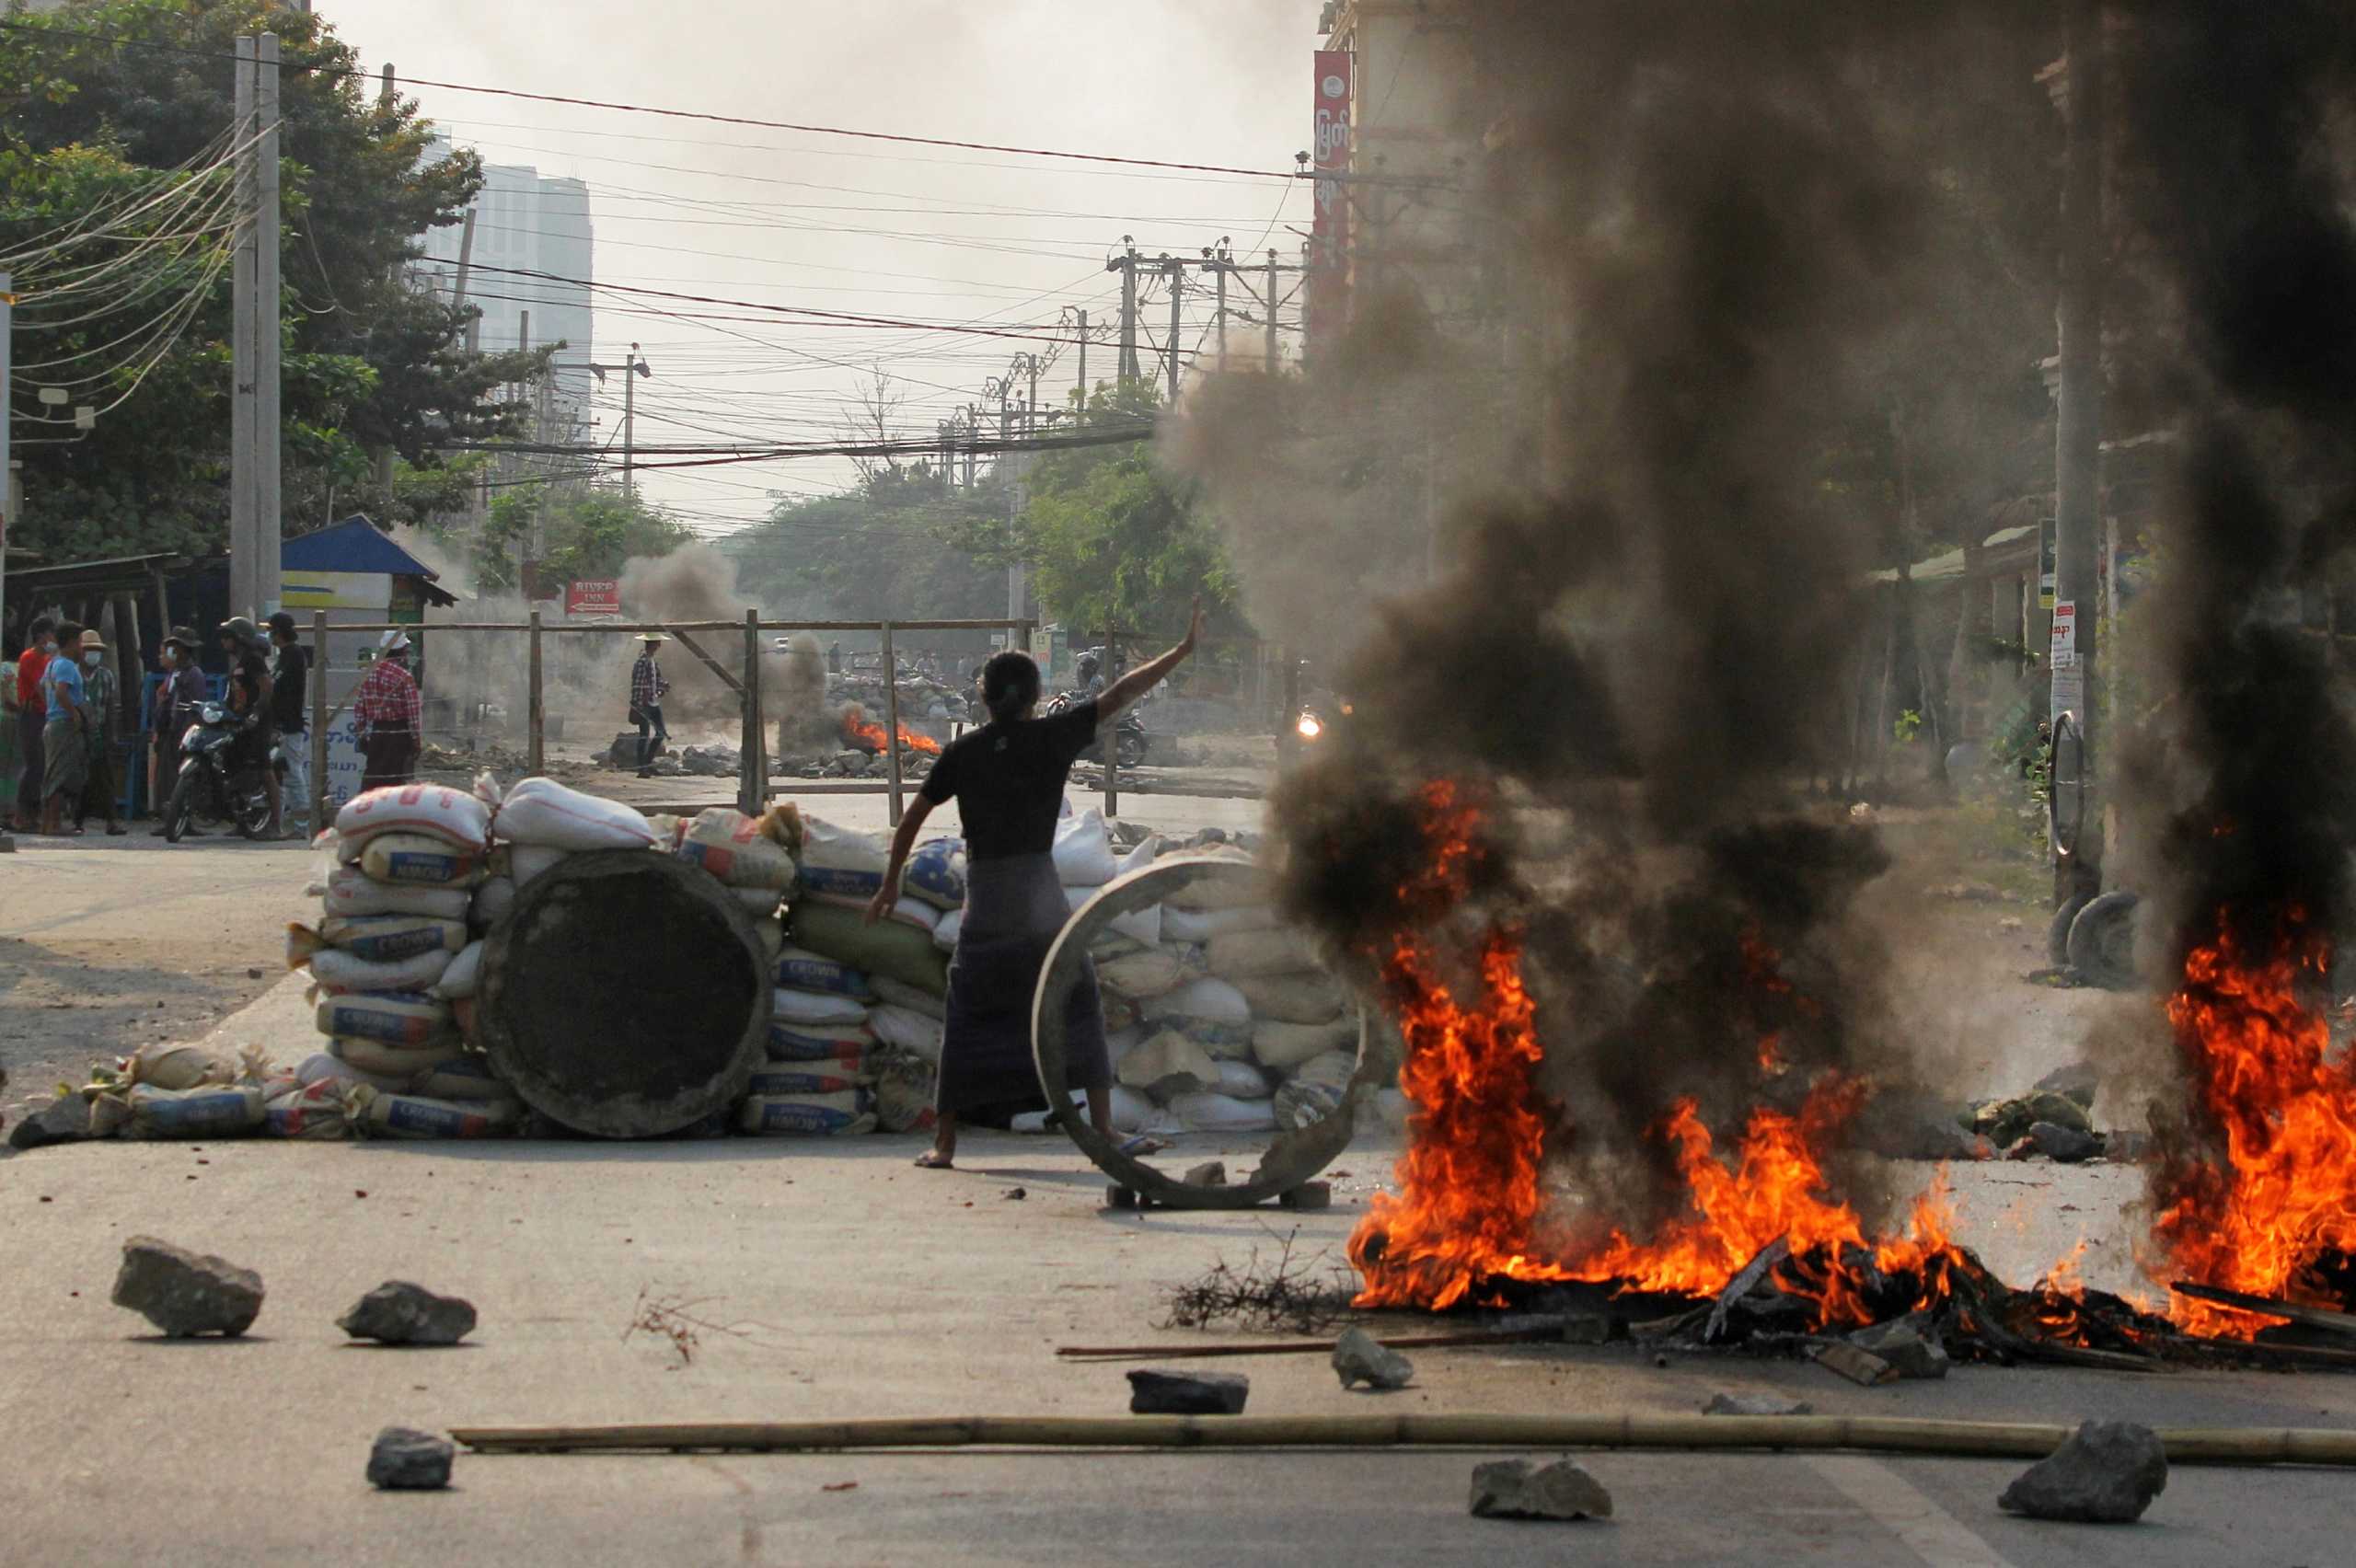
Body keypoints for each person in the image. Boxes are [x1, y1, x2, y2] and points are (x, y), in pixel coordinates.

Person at [869, 599, 1204, 1170]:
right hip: (1040, 898)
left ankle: (945, 1144)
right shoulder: (1054, 737)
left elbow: (913, 818)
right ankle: (1104, 1129)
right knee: (1077, 1001)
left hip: (987, 901)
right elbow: (1121, 693)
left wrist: (890, 886)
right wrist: (1179, 652)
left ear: (984, 696)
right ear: (1034, 693)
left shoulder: (962, 753)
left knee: (968, 1014)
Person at [148, 630, 206, 835]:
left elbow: (195, 707)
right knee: (166, 779)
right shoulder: (173, 674)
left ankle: (184, 821)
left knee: (181, 779)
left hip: (183, 733)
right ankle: (169, 820)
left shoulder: (194, 674)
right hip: (169, 732)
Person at [352, 630, 422, 790]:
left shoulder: (369, 674)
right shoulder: (404, 676)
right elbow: (413, 714)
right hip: (398, 733)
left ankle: (368, 809)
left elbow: (359, 709)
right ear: (402, 651)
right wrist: (416, 741)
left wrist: (362, 734)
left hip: (376, 731)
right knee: (395, 779)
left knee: (374, 775)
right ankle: (392, 811)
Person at [38, 623, 87, 836]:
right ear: (70, 642)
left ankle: (47, 823)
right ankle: (55, 824)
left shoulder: (52, 664)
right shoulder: (66, 665)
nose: (82, 648)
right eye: (80, 642)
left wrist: (51, 708)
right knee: (61, 776)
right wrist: (73, 713)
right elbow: (60, 692)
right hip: (64, 725)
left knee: (51, 774)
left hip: (52, 722)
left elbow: (41, 687)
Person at [75, 633, 125, 836]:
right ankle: (77, 820)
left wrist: (112, 734)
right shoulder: (74, 673)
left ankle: (112, 821)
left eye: (96, 651)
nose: (93, 654)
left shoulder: (106, 675)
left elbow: (111, 706)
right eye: (89, 650)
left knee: (105, 777)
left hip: (101, 731)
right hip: (78, 730)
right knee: (80, 778)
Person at [266, 612, 309, 838]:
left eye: (271, 630)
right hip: (280, 724)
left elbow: (283, 692)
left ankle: (302, 827)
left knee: (292, 773)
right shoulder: (284, 655)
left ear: (279, 632)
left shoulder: (293, 655)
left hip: (289, 725)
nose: (269, 635)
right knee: (277, 774)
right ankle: (276, 821)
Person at [12, 615, 55, 832]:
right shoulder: (29, 657)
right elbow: (41, 686)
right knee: (33, 764)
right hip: (31, 716)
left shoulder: (48, 659)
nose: (53, 638)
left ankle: (33, 814)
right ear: (41, 636)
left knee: (43, 766)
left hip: (43, 715)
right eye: (50, 634)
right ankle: (20, 815)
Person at [629, 632, 671, 778]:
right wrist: (637, 704)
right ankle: (642, 769)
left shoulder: (653, 661)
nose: (660, 645)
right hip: (644, 704)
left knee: (660, 734)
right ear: (652, 644)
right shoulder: (642, 662)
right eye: (658, 642)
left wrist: (663, 687)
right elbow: (637, 685)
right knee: (644, 736)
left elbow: (657, 680)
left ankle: (647, 763)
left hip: (653, 702)